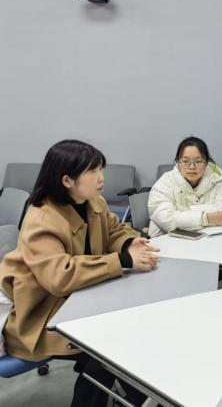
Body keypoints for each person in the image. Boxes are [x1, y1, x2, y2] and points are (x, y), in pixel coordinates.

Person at [0, 140, 159, 407]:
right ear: (67, 181)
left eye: (101, 169)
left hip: (78, 301)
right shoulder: (41, 219)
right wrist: (122, 260)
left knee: (129, 337)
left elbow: (114, 231)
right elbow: (60, 277)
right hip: (40, 316)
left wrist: (130, 242)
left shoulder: (92, 201)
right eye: (93, 171)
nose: (101, 178)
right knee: (107, 352)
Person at [148, 136, 222, 237]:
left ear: (206, 163)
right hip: (167, 239)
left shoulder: (216, 180)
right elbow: (166, 220)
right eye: (185, 161)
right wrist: (206, 218)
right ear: (178, 163)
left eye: (198, 162)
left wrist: (184, 215)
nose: (192, 167)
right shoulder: (164, 183)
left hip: (208, 239)